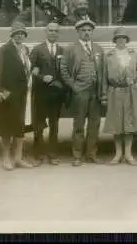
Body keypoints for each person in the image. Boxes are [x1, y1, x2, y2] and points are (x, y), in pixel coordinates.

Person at [60, 19, 106, 166]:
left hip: (95, 91)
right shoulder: (70, 49)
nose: (86, 33)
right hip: (80, 91)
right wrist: (74, 86)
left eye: (89, 30)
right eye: (83, 30)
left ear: (92, 32)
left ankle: (91, 154)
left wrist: (102, 91)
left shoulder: (98, 49)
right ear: (78, 32)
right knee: (79, 123)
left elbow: (103, 71)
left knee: (95, 124)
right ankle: (77, 155)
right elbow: (64, 70)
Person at [0, 22, 34, 171]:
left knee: (20, 128)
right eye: (17, 33)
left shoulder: (25, 50)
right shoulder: (4, 50)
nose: (20, 35)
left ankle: (18, 158)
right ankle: (6, 159)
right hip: (8, 94)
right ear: (12, 35)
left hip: (22, 94)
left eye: (22, 33)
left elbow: (27, 70)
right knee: (7, 129)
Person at [103, 27, 137, 165]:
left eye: (123, 38)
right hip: (115, 91)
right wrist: (104, 94)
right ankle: (118, 154)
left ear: (126, 40)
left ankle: (128, 154)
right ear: (115, 40)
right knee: (117, 124)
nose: (121, 40)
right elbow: (104, 76)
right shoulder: (109, 56)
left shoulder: (133, 55)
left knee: (129, 123)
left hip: (131, 91)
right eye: (118, 38)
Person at [29, 22, 67, 166]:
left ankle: (53, 154)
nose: (53, 33)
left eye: (55, 31)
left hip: (56, 94)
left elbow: (64, 71)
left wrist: (59, 83)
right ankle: (38, 154)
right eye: (50, 30)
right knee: (38, 124)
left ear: (58, 33)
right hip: (41, 92)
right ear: (46, 32)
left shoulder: (62, 51)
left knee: (54, 125)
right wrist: (41, 77)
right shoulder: (37, 49)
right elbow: (30, 69)